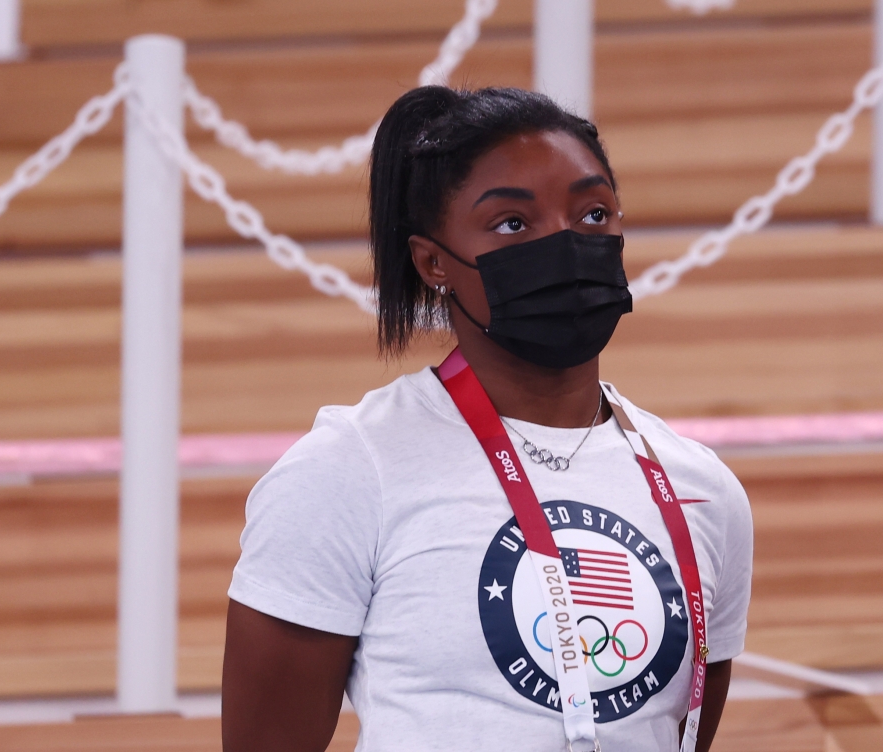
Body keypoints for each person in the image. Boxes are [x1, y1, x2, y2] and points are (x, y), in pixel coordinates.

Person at [221, 86, 753, 752]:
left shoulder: (703, 488)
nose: (564, 243)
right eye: (512, 224)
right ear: (433, 261)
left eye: (593, 213)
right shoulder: (348, 467)